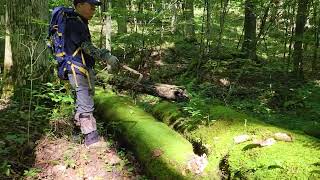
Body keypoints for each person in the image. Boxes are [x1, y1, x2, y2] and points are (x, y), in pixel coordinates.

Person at [65, 0, 119, 147]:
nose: (94, 9)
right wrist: (106, 56)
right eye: (91, 6)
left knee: (81, 101)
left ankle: (77, 134)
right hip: (78, 69)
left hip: (78, 68)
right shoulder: (74, 23)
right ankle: (91, 140)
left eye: (95, 7)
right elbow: (87, 47)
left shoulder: (79, 21)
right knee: (85, 102)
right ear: (80, 4)